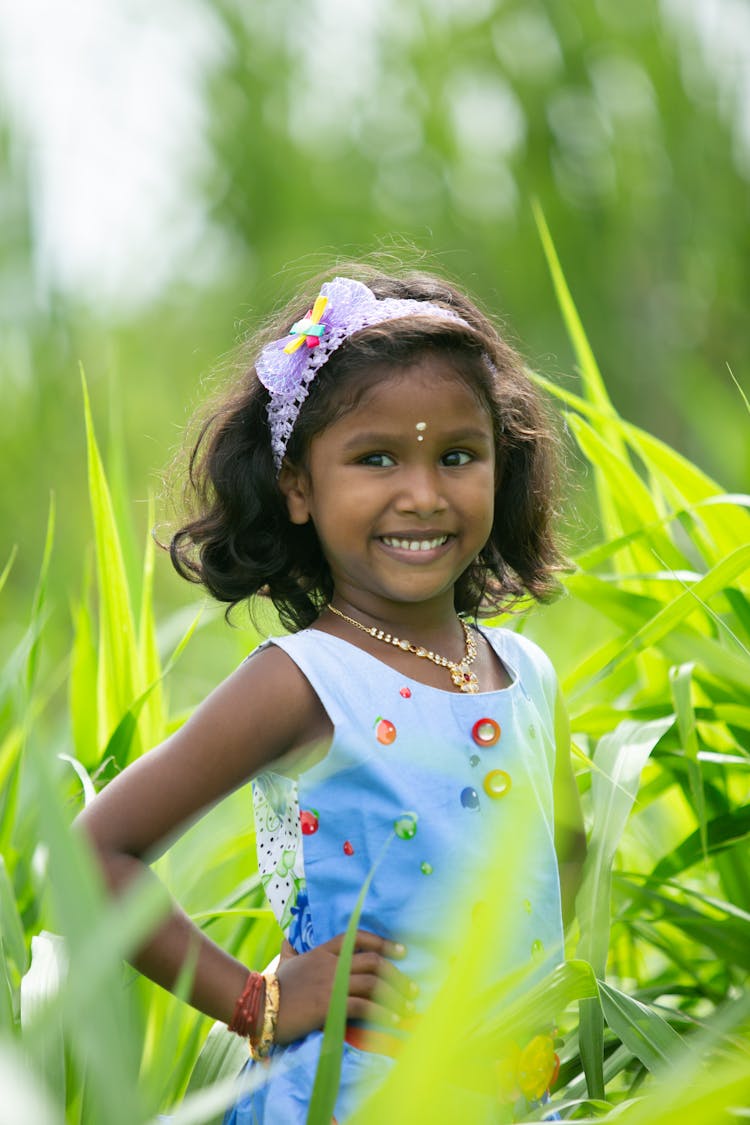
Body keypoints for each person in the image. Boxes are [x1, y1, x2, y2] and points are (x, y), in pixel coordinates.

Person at [76, 268, 585, 1124]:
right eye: (376, 457)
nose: (422, 494)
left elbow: (562, 855)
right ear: (298, 489)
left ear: (504, 467)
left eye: (457, 455)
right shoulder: (305, 681)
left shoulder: (526, 674)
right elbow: (94, 855)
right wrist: (254, 1001)